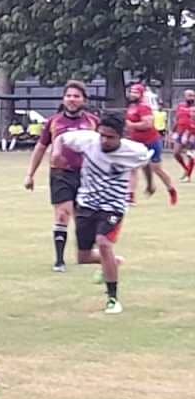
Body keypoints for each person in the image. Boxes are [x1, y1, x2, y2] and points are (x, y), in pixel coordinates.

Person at [52, 113, 152, 314]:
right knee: (83, 257)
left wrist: (150, 183)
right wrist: (56, 154)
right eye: (102, 135)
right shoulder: (88, 140)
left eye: (110, 137)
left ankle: (113, 299)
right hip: (86, 204)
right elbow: (60, 138)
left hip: (113, 206)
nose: (104, 140)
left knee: (104, 243)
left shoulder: (133, 150)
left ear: (120, 137)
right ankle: (113, 262)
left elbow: (146, 161)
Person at [24, 81, 100, 273]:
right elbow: (40, 148)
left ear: (84, 99)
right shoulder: (54, 122)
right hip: (60, 174)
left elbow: (104, 147)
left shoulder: (93, 121)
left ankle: (88, 253)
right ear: (63, 99)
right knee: (62, 213)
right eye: (69, 96)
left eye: (76, 96)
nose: (72, 99)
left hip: (86, 175)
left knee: (84, 218)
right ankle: (59, 260)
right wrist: (30, 174)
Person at [125, 83, 178, 204]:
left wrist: (131, 125)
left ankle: (171, 189)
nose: (132, 94)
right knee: (132, 167)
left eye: (136, 92)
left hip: (151, 141)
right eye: (131, 91)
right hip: (137, 143)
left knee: (157, 169)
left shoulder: (144, 107)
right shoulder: (131, 107)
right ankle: (130, 196)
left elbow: (147, 124)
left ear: (141, 94)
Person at [172, 89, 195, 182]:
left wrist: (190, 134)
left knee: (191, 154)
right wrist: (173, 131)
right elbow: (177, 119)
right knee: (176, 153)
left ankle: (188, 176)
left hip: (192, 132)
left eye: (193, 95)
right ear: (185, 96)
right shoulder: (180, 106)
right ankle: (186, 169)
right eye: (189, 95)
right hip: (180, 132)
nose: (191, 97)